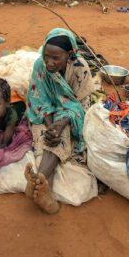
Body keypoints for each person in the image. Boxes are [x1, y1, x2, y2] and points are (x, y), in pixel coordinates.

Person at [24, 28, 103, 214]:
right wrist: (52, 126)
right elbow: (38, 100)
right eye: (46, 56)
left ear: (69, 55)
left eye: (55, 58)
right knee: (49, 137)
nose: (49, 63)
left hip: (69, 114)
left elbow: (81, 107)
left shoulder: (80, 69)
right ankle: (43, 189)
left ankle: (38, 181)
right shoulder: (39, 66)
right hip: (44, 114)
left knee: (62, 134)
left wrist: (60, 124)